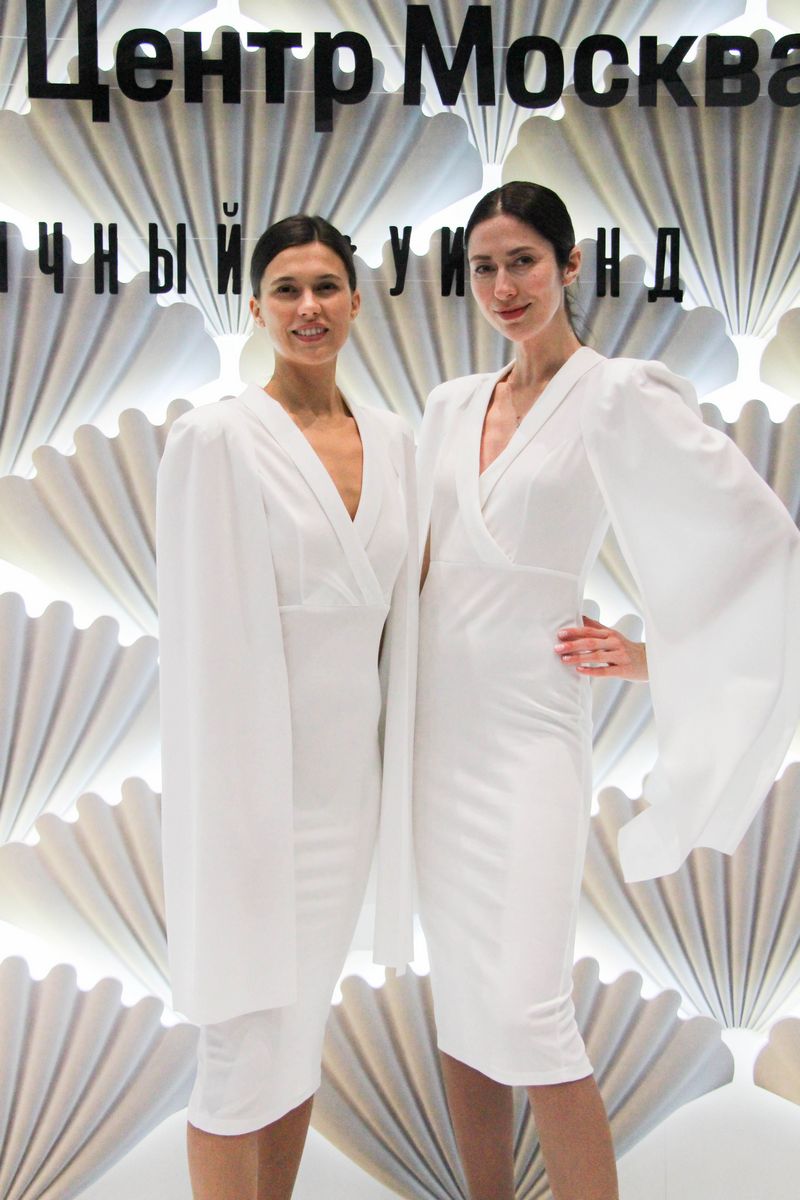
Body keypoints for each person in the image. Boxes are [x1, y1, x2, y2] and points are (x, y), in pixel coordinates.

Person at [413, 181, 800, 1200]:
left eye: (523, 262)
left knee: (530, 1007)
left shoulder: (618, 393)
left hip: (531, 728)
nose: (504, 285)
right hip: (434, 730)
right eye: (485, 267)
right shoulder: (449, 405)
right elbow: (416, 562)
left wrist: (649, 654)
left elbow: (758, 541)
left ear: (569, 265)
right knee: (462, 1000)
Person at [156, 214, 417, 1200]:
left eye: (325, 287)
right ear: (256, 307)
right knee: (238, 1055)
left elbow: (408, 623)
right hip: (249, 799)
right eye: (285, 289)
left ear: (355, 300)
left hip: (348, 798)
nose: (308, 307)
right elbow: (201, 643)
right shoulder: (216, 439)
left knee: (297, 1039)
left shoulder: (393, 442)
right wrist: (231, 817)